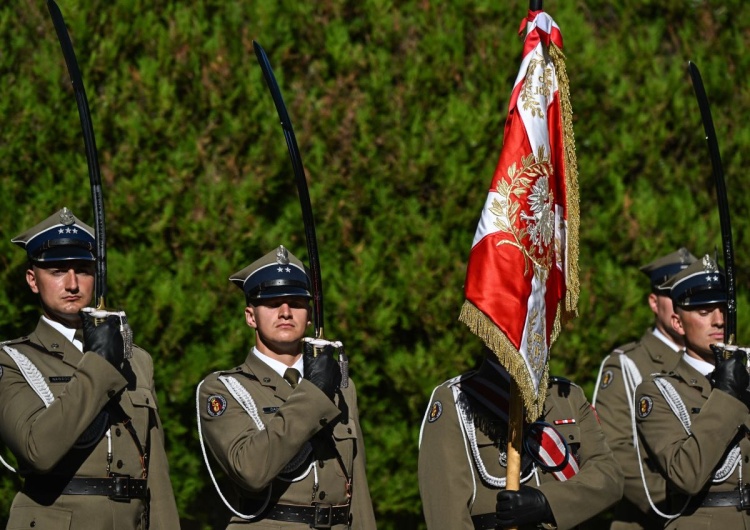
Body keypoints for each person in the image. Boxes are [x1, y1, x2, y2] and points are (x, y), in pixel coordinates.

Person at [0, 207, 180, 529]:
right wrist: (98, 363)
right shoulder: (12, 360)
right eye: (56, 271)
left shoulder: (136, 359)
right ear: (32, 280)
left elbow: (156, 475)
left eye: (83, 269)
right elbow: (37, 449)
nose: (72, 284)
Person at [196, 245, 376, 529]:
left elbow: (358, 487)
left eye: (296, 302)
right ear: (250, 316)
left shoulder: (341, 386)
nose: (285, 312)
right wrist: (314, 393)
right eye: (271, 303)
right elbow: (250, 471)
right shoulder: (222, 389)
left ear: (309, 313)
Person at [418, 349, 624, 529]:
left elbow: (609, 476)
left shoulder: (568, 396)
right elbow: (448, 517)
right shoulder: (456, 399)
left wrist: (547, 502)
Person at [635, 254, 750, 528]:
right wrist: (727, 394)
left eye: (723, 308)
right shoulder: (657, 392)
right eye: (704, 311)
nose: (719, 320)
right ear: (677, 322)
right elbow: (687, 475)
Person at [592, 248, 696, 529]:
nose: (685, 304)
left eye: (694, 295)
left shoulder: (717, 360)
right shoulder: (627, 365)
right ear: (654, 302)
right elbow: (615, 450)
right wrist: (683, 506)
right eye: (675, 296)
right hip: (652, 518)